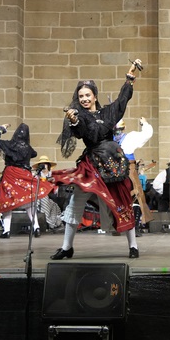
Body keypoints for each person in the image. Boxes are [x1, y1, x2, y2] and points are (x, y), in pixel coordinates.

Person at [50, 60, 142, 260]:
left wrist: (130, 78)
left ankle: (133, 246)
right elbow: (83, 132)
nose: (84, 99)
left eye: (87, 95)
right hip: (91, 166)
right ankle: (66, 247)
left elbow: (122, 101)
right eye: (81, 96)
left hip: (112, 165)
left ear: (94, 96)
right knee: (75, 203)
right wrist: (74, 121)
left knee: (122, 202)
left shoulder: (107, 112)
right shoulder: (80, 117)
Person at [0, 123, 54, 239]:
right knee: (29, 202)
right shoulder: (28, 148)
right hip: (24, 174)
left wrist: (1, 129)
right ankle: (36, 227)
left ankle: (6, 231)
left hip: (10, 175)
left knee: (7, 201)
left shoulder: (10, 145)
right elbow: (34, 154)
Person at [114, 116, 155, 233]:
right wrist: (144, 123)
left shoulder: (109, 140)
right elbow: (147, 134)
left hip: (116, 171)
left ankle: (122, 226)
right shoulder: (130, 137)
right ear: (124, 128)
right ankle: (133, 226)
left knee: (120, 196)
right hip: (126, 170)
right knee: (136, 196)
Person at [34, 155, 64, 231]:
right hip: (40, 196)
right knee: (40, 199)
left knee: (46, 200)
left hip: (51, 196)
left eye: (45, 164)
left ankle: (47, 222)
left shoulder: (53, 175)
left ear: (48, 165)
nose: (43, 166)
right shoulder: (36, 177)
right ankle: (43, 222)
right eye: (41, 164)